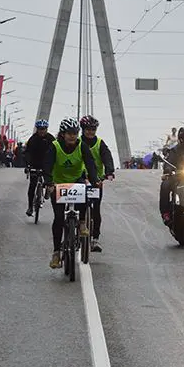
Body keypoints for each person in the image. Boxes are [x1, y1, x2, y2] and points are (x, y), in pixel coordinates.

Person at [43, 118, 99, 269]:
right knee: (59, 218)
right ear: (63, 134)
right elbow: (47, 166)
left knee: (85, 192)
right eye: (69, 133)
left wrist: (94, 181)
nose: (72, 136)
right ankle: (56, 253)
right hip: (58, 184)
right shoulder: (54, 147)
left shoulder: (82, 146)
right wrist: (48, 182)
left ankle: (81, 222)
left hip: (76, 180)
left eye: (75, 133)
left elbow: (90, 164)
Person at [79, 115, 115, 252]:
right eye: (88, 129)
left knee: (96, 209)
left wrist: (109, 171)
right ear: (83, 129)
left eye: (93, 129)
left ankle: (95, 239)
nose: (90, 132)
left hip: (96, 180)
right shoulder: (77, 142)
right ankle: (71, 227)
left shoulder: (100, 143)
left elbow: (107, 157)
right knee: (74, 203)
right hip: (80, 178)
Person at [24, 120, 55, 217]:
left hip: (47, 165)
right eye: (40, 129)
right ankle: (30, 207)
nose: (42, 131)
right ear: (37, 129)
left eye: (44, 129)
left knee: (49, 182)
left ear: (47, 129)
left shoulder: (51, 139)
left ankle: (47, 192)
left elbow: (56, 152)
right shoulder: (33, 139)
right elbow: (27, 153)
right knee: (32, 186)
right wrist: (28, 165)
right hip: (35, 165)